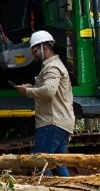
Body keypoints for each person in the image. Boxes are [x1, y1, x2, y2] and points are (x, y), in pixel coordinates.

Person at [12, 30, 75, 176]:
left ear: (44, 48)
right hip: (60, 121)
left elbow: (48, 91)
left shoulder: (52, 67)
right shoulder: (53, 65)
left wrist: (27, 92)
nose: (33, 54)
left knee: (39, 164)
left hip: (52, 122)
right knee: (57, 164)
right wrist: (32, 88)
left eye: (35, 50)